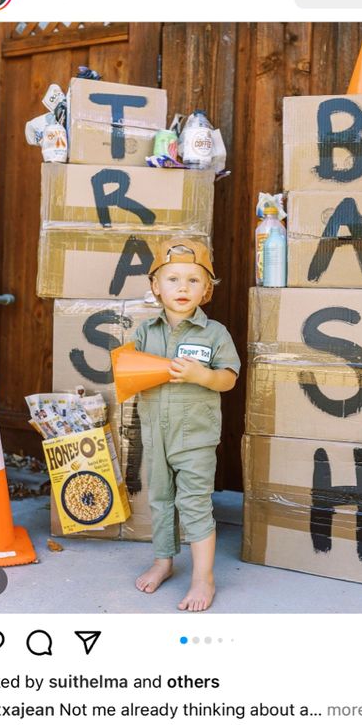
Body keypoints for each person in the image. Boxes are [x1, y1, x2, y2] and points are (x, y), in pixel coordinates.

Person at [132, 240, 240, 612]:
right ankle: (164, 561)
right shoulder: (145, 331)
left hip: (195, 435)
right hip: (155, 432)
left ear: (206, 290)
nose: (182, 287)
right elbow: (129, 373)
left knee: (193, 502)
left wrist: (201, 375)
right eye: (173, 279)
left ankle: (202, 577)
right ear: (155, 287)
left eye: (193, 280)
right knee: (160, 500)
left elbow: (229, 378)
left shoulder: (215, 334)